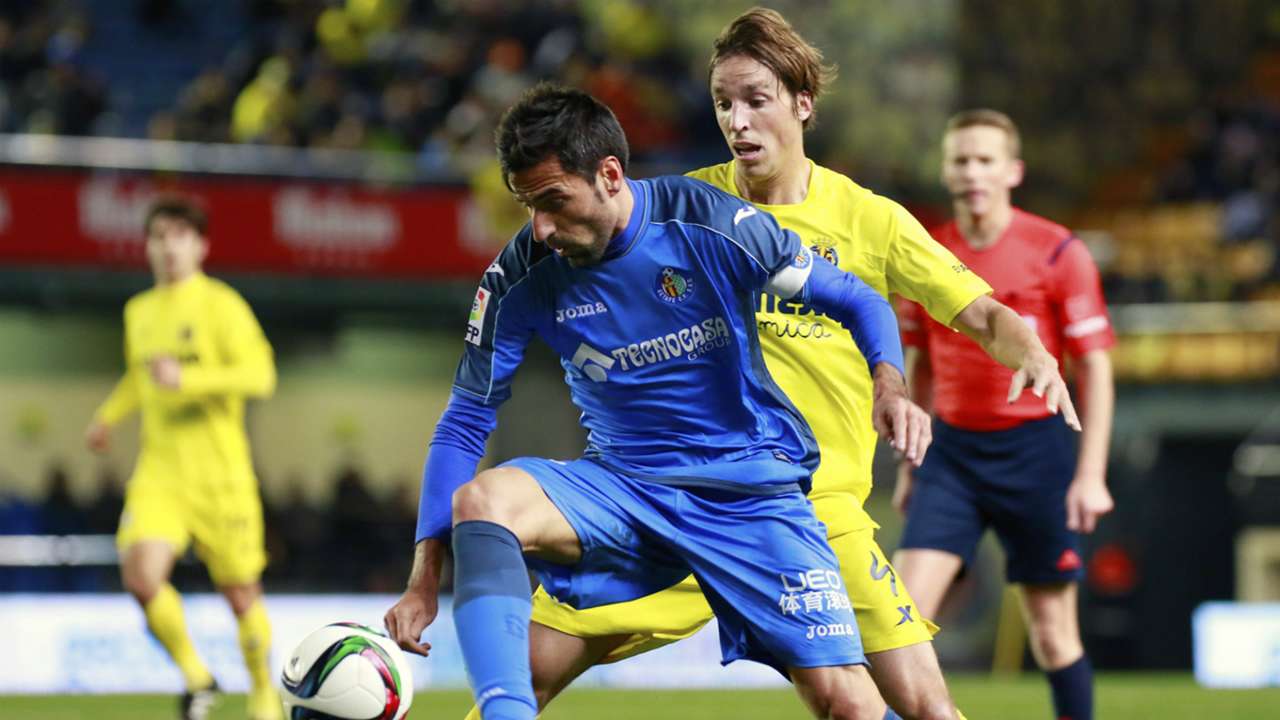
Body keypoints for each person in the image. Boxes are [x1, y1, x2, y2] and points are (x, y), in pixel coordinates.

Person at [456, 9, 1082, 720]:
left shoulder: (869, 220)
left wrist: (1027, 346)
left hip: (819, 510)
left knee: (924, 709)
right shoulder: (683, 209)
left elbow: (980, 314)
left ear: (802, 104)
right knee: (519, 680)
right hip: (673, 501)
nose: (738, 121)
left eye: (757, 99)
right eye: (724, 103)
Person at [384, 82, 934, 720]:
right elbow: (464, 423)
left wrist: (890, 383)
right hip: (625, 487)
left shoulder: (709, 222)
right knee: (483, 502)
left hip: (748, 495)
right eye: (527, 205)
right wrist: (424, 580)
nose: (541, 227)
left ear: (610, 174)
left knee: (850, 706)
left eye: (554, 201)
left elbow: (858, 299)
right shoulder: (520, 275)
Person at [892, 109, 1115, 720]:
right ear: (946, 170)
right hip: (953, 458)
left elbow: (1094, 367)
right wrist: (914, 464)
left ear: (1012, 171)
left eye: (985, 159)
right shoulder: (925, 253)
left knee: (1052, 635)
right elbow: (923, 362)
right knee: (899, 623)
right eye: (961, 160)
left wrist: (1090, 474)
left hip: (1035, 453)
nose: (972, 172)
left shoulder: (1058, 252)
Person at [85, 197, 281, 720]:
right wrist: (107, 417)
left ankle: (263, 690)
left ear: (201, 245)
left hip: (221, 474)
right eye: (159, 236)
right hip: (160, 472)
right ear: (147, 246)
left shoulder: (222, 305)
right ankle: (198, 676)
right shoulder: (139, 312)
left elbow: (260, 375)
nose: (168, 246)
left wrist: (188, 379)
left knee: (241, 595)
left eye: (179, 235)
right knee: (141, 576)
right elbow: (140, 375)